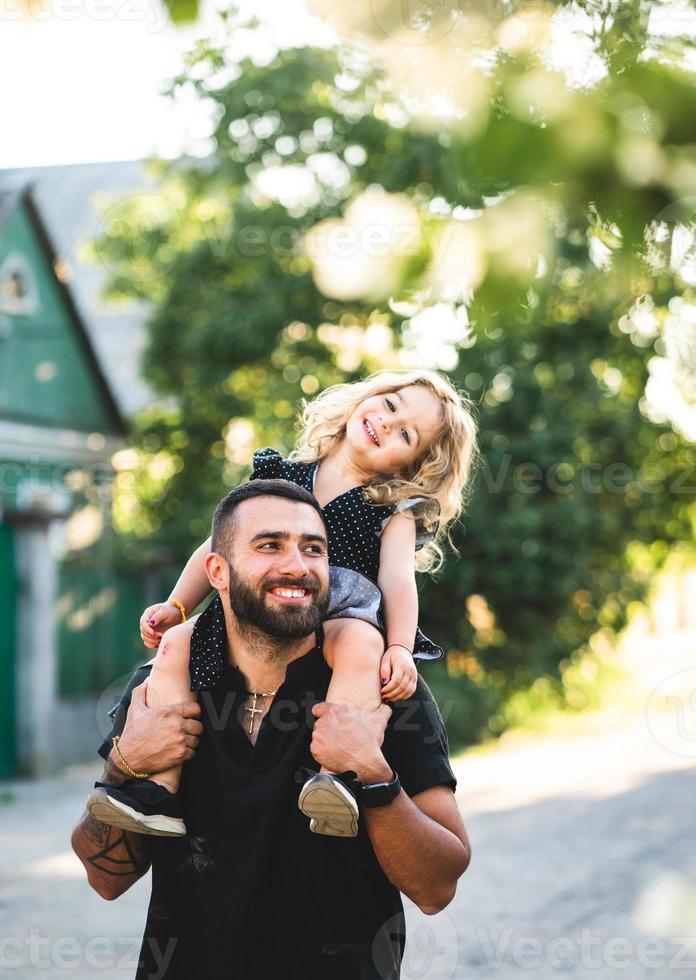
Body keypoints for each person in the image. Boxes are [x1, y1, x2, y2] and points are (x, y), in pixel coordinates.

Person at [72, 479, 471, 980]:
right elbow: (106, 880)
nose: (297, 566)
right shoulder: (164, 689)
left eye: (314, 549)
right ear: (216, 571)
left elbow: (438, 888)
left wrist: (372, 773)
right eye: (270, 545)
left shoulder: (383, 691)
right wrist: (124, 764)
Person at [93, 368, 478, 838]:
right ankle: (157, 792)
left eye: (406, 435)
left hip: (336, 616)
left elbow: (398, 582)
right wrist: (178, 604)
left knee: (360, 643)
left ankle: (338, 779)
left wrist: (398, 647)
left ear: (411, 466)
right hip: (256, 608)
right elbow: (214, 546)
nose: (386, 423)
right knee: (174, 646)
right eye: (391, 405)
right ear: (368, 397)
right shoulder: (280, 475)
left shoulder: (389, 511)